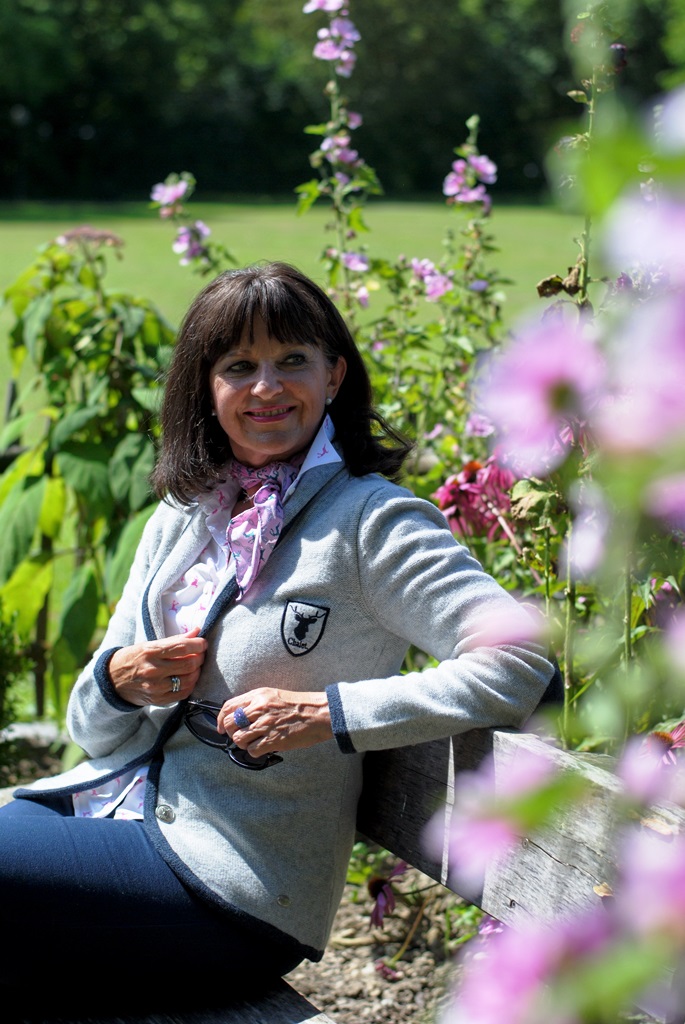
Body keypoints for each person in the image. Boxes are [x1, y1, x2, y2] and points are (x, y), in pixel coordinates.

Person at [0, 262, 556, 1009]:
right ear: (206, 387)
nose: (267, 387)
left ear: (334, 375)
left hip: (234, 888)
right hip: (117, 816)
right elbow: (90, 732)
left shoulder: (373, 522)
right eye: (239, 366)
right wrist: (117, 682)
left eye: (292, 360)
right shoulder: (183, 516)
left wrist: (329, 713)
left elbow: (520, 660)